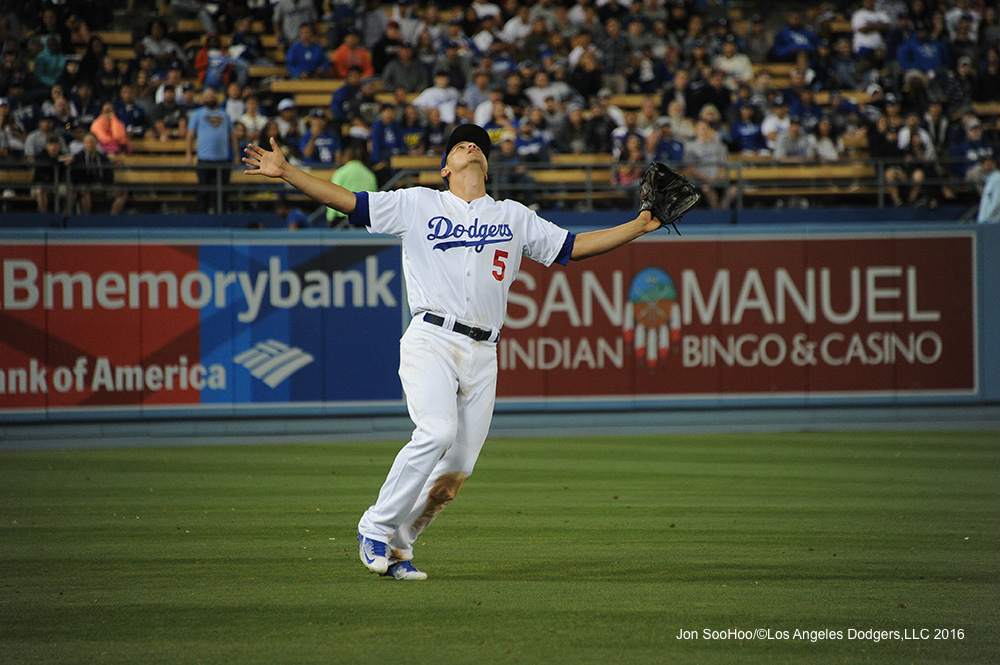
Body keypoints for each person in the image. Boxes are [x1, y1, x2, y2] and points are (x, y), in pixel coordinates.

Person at [241, 123, 674, 581]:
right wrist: (288, 171)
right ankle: (376, 524)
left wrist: (643, 224)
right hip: (431, 337)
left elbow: (573, 247)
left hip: (484, 351)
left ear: (487, 168)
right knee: (437, 430)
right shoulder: (418, 203)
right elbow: (348, 201)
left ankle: (399, 546)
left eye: (479, 146)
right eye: (461, 144)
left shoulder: (513, 215)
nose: (471, 146)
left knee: (455, 475)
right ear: (445, 167)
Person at [186, 86, 237, 212]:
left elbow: (233, 135)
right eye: (207, 96)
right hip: (204, 158)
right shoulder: (197, 114)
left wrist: (235, 155)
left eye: (212, 96)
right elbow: (190, 135)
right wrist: (189, 154)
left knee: (223, 192)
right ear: (203, 98)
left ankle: (222, 215)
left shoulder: (225, 115)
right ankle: (202, 216)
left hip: (223, 158)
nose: (210, 98)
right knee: (204, 190)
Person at [69, 132, 127, 214]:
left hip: (102, 187)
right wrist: (91, 184)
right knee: (84, 190)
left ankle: (113, 218)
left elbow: (109, 176)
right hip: (86, 187)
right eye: (88, 142)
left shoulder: (103, 159)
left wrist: (102, 184)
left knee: (121, 192)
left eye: (92, 142)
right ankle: (86, 219)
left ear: (96, 143)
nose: (90, 144)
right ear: (84, 144)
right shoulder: (78, 158)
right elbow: (76, 177)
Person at [977, 155, 1000, 222]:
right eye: (986, 164)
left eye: (990, 164)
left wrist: (987, 218)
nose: (988, 166)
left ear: (994, 165)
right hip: (987, 222)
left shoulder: (997, 178)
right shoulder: (989, 179)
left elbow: (997, 201)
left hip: (992, 222)